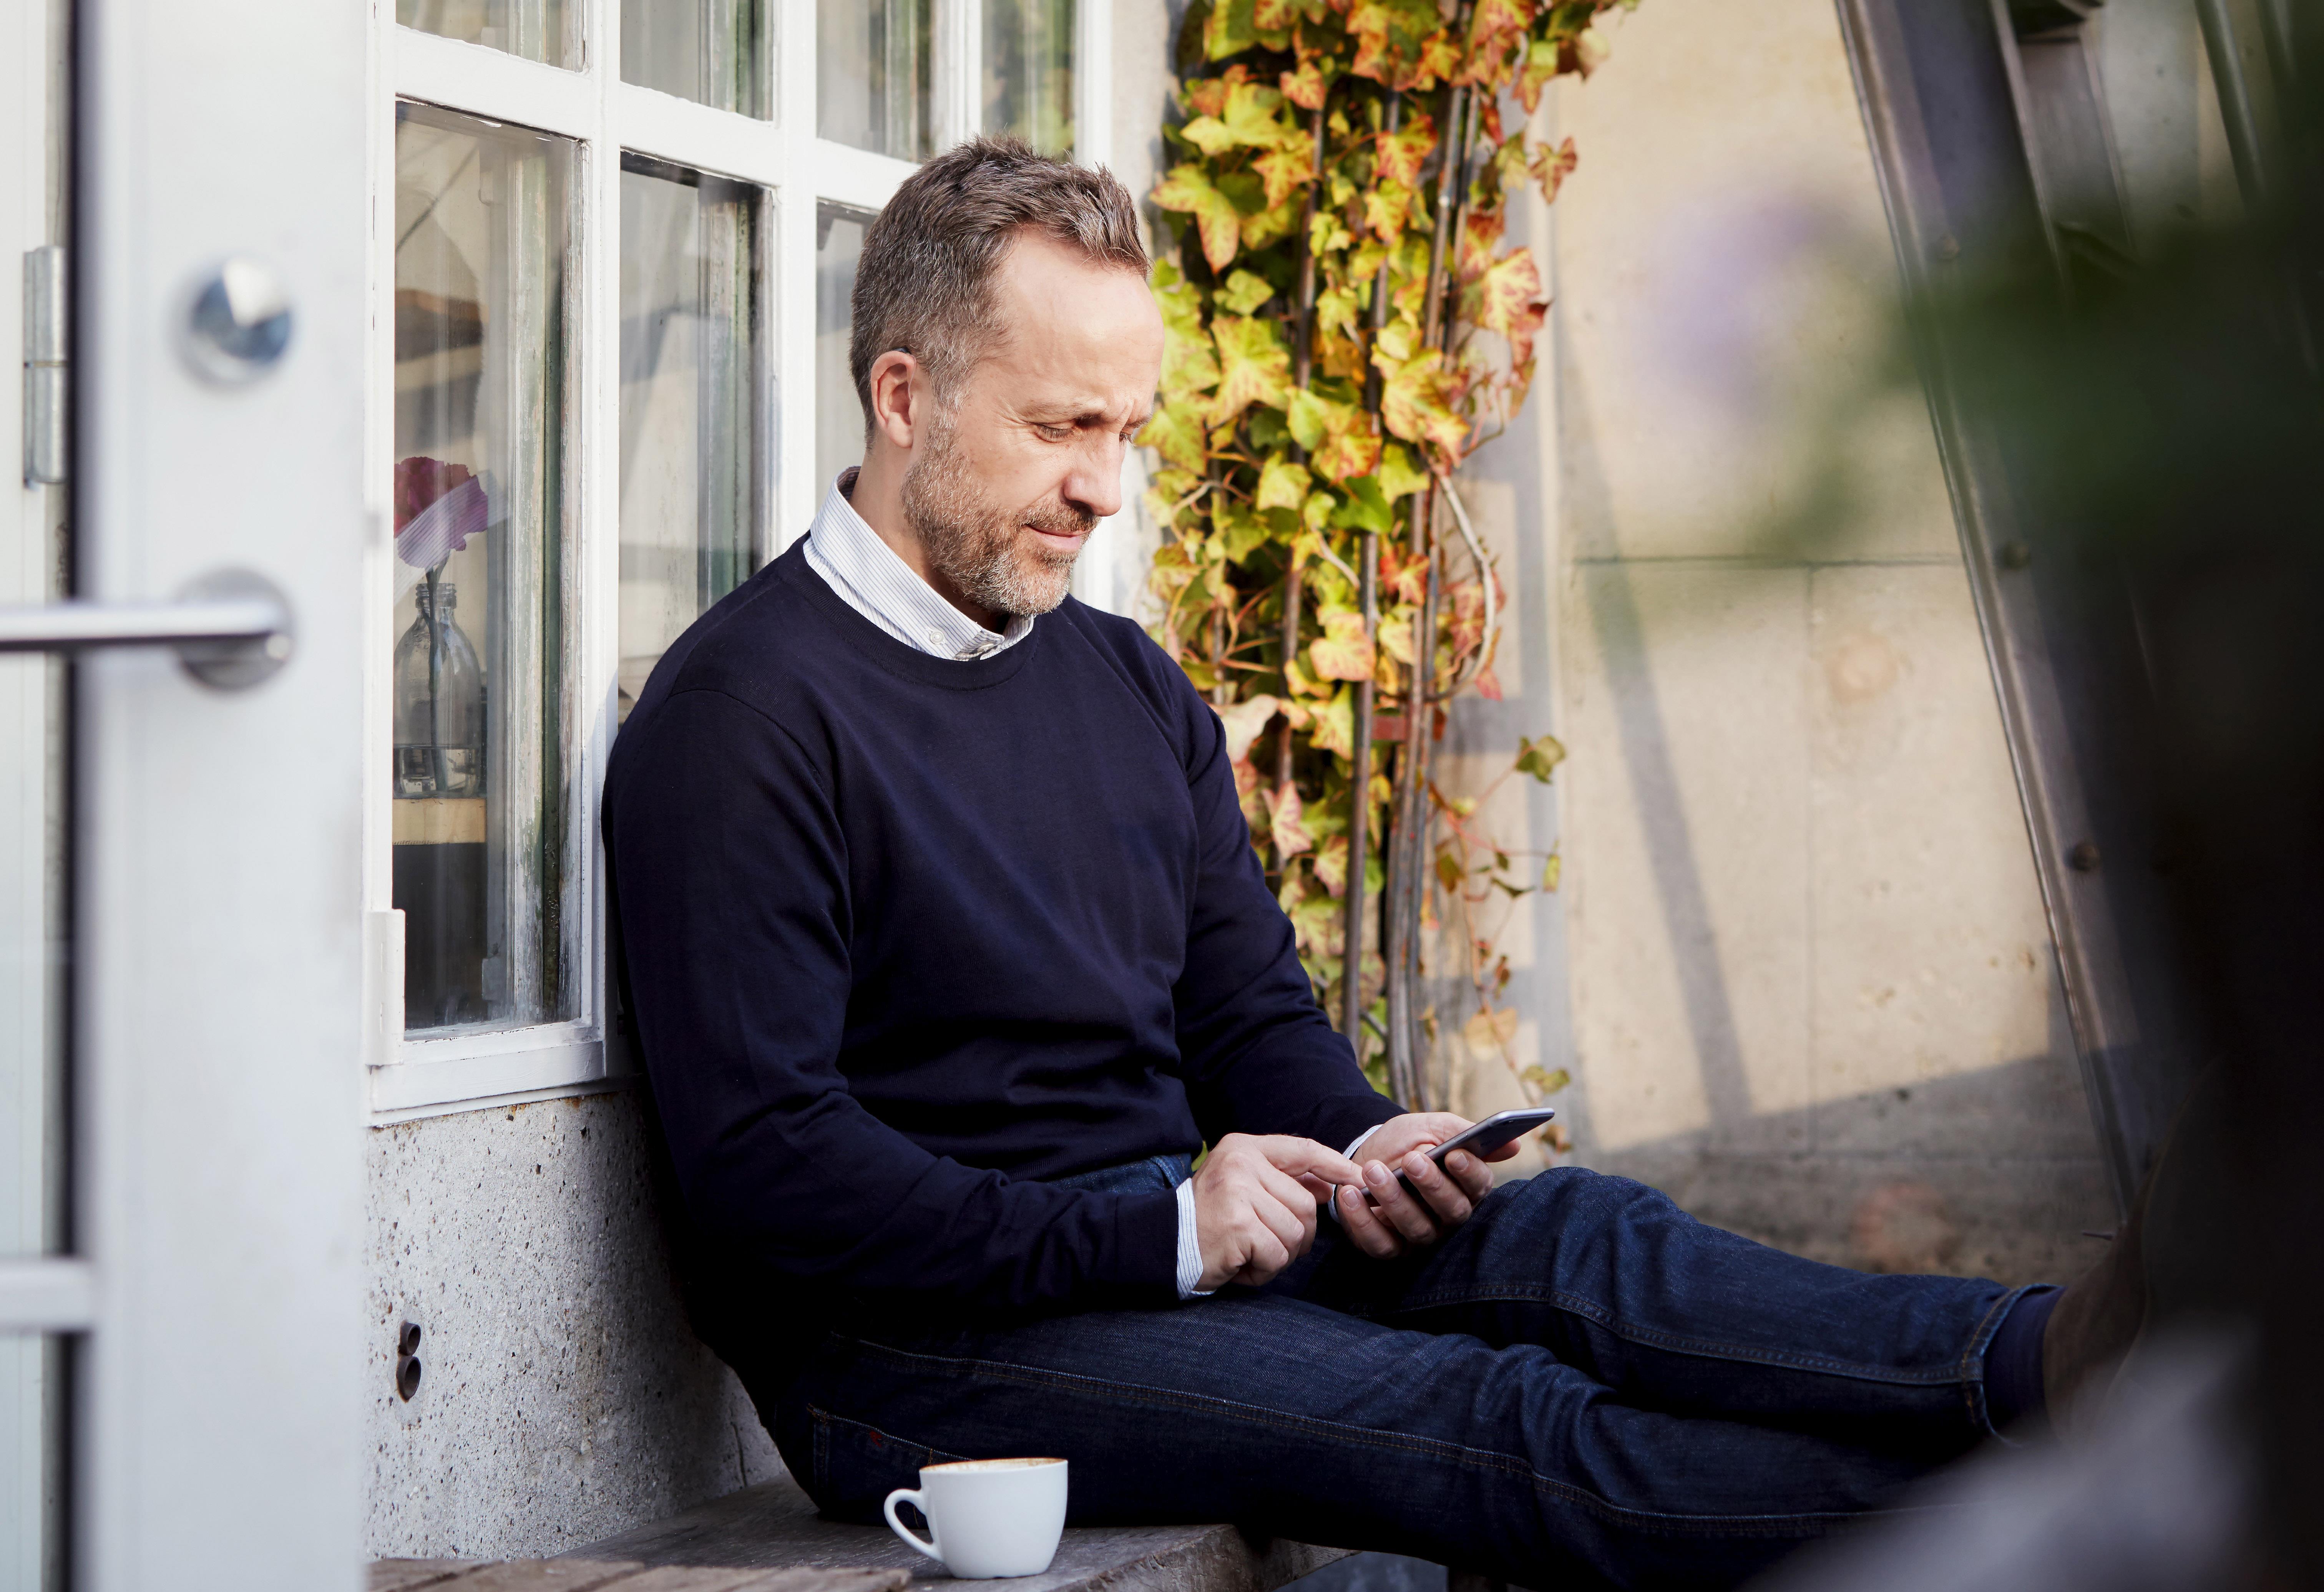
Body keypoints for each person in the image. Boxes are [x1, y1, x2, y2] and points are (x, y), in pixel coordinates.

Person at [602, 138, 2141, 1590]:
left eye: (1127, 432)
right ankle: (2097, 1539)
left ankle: (2060, 1360)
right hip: (912, 1353)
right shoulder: (744, 717)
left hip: (1166, 1247)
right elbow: (771, 1172)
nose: (1105, 489)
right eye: (1062, 428)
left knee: (1583, 1241)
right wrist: (1160, 1233)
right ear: (903, 396)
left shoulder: (1125, 685)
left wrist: (1364, 1142)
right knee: (1495, 1416)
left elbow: (1245, 1019)